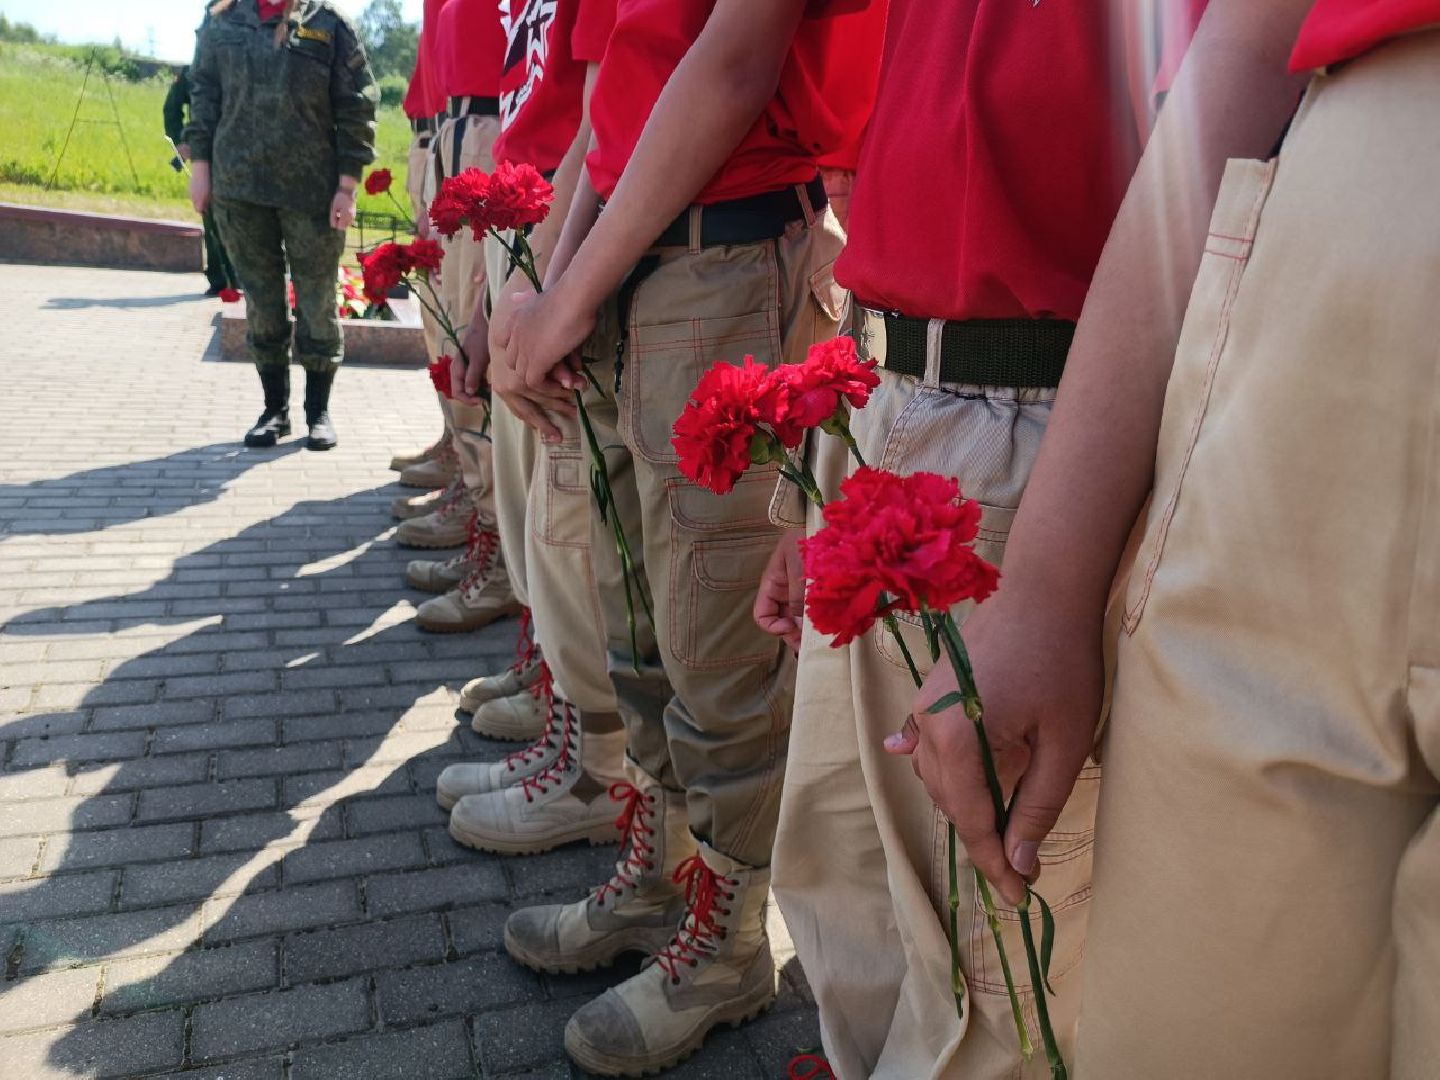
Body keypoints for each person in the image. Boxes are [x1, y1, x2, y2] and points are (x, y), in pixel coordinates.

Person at [894, 2, 1440, 1076]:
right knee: (1206, 1018)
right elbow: (1247, 34)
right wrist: (1046, 579)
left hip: (1353, 194)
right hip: (1348, 192)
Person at [754, 2, 1211, 1076]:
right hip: (888, 395)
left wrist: (1054, 577)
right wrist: (819, 494)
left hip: (1048, 427)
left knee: (1001, 941)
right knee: (841, 864)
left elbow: (1206, 175)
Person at [489, 0, 879, 1072]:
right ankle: (664, 881)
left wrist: (571, 291)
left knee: (719, 648)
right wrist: (563, 286)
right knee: (643, 621)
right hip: (641, 256)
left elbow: (736, 59)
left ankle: (732, 946)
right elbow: (623, 90)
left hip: (725, 257)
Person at [436, 0, 629, 856]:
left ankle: (599, 767)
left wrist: (553, 287)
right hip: (550, 213)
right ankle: (572, 728)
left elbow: (605, 101)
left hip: (585, 214)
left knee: (573, 517)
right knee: (545, 517)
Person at [185, 0, 378, 452]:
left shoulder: (328, 24)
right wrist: (200, 165)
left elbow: (357, 105)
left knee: (316, 301)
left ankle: (318, 412)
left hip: (311, 192)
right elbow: (204, 91)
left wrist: (347, 186)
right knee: (263, 304)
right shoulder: (222, 19)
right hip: (240, 186)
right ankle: (274, 411)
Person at [389, 0, 461, 496]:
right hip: (437, 131)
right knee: (438, 316)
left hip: (465, 123)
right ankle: (453, 439)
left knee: (457, 317)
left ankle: (466, 465)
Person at [163, 66, 238, 299]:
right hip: (207, 157)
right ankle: (222, 280)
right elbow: (171, 109)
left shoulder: (244, 60)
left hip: (242, 155)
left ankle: (241, 280)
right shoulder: (194, 72)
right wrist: (180, 140)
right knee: (213, 217)